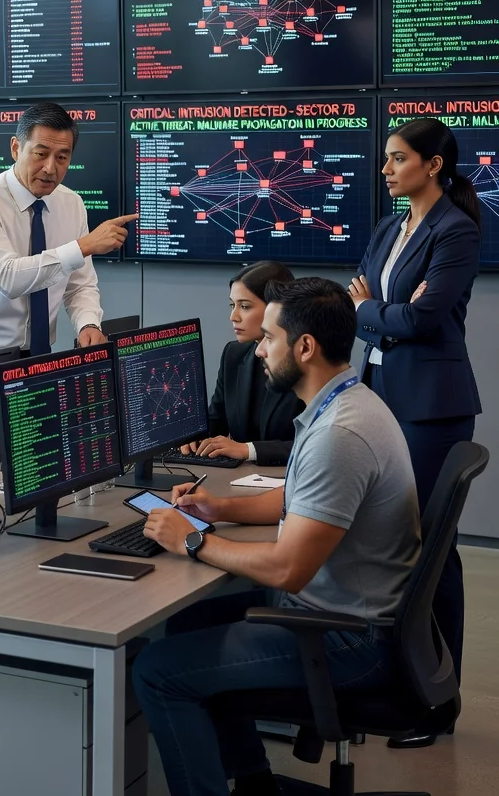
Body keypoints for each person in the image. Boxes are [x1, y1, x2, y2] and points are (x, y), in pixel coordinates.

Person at [132, 277, 420, 796]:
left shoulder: (339, 436)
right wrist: (217, 507)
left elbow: (290, 569)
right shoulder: (343, 402)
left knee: (157, 670)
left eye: (268, 337)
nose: (258, 348)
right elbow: (300, 499)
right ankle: (254, 782)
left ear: (304, 347)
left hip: (350, 639)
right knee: (188, 624)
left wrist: (192, 541)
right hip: (351, 614)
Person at [348, 116, 481, 748]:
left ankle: (437, 702)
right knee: (389, 539)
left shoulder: (456, 231)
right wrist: (382, 313)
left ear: (433, 165)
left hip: (430, 406)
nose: (385, 168)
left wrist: (371, 311)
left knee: (431, 552)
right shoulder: (389, 225)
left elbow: (423, 319)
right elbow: (374, 301)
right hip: (378, 395)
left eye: (398, 158)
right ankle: (393, 682)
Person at [0, 101, 137, 358]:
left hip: (40, 355)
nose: (50, 168)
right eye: (40, 154)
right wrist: (84, 245)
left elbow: (80, 284)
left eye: (62, 157)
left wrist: (88, 323)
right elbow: (8, 277)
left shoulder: (72, 203)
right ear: (16, 148)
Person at [183, 261, 302, 467]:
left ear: (276, 309)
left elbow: (318, 445)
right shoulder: (234, 354)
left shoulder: (305, 361)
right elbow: (215, 422)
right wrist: (193, 437)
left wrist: (249, 450)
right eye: (232, 305)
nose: (233, 316)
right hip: (237, 478)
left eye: (245, 306)